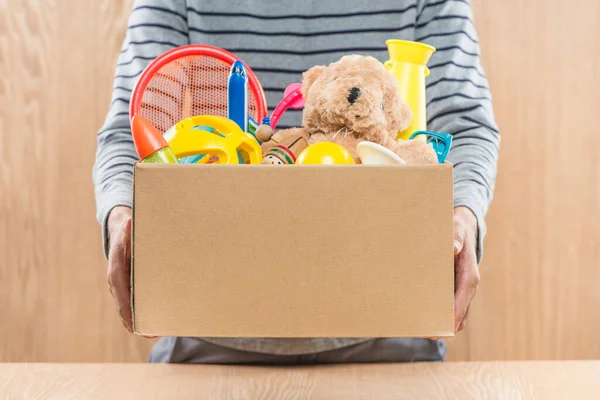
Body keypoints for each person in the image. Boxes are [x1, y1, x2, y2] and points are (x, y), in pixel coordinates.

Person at [94, 0, 499, 364]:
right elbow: (132, 131)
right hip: (204, 347)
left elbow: (464, 125)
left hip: (394, 346)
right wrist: (121, 218)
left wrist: (462, 221)